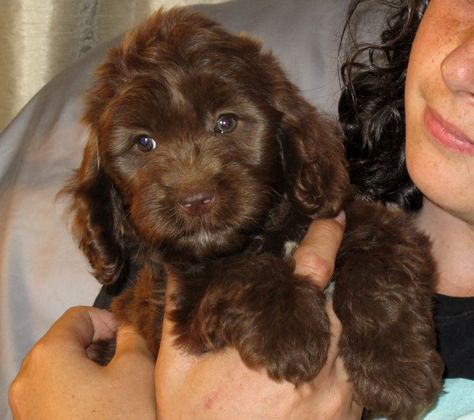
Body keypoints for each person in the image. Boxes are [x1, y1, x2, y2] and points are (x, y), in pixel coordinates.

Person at [7, 0, 474, 418]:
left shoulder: (355, 230)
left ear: (288, 135)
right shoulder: (159, 259)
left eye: (226, 124)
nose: (463, 69)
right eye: (144, 144)